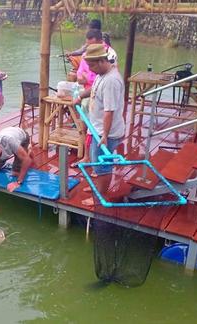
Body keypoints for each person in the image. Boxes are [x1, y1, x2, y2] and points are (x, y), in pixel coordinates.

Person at [73, 44, 125, 207]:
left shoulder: (111, 81)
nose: (91, 70)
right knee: (96, 162)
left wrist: (104, 135)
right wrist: (81, 95)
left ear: (102, 61)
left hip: (105, 133)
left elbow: (109, 111)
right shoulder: (101, 75)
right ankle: (98, 188)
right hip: (96, 128)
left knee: (102, 165)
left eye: (93, 65)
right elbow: (94, 90)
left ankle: (99, 198)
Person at [70, 29, 117, 170]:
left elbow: (109, 110)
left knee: (99, 134)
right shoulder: (87, 56)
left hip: (100, 100)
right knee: (87, 128)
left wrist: (87, 78)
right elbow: (80, 75)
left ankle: (99, 167)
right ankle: (87, 157)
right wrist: (80, 93)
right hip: (89, 93)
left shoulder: (110, 57)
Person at [0, 127, 34, 223]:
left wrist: (18, 182)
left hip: (21, 138)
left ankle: (28, 150)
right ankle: (14, 155)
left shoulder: (9, 141)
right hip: (4, 149)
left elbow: (27, 161)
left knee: (15, 173)